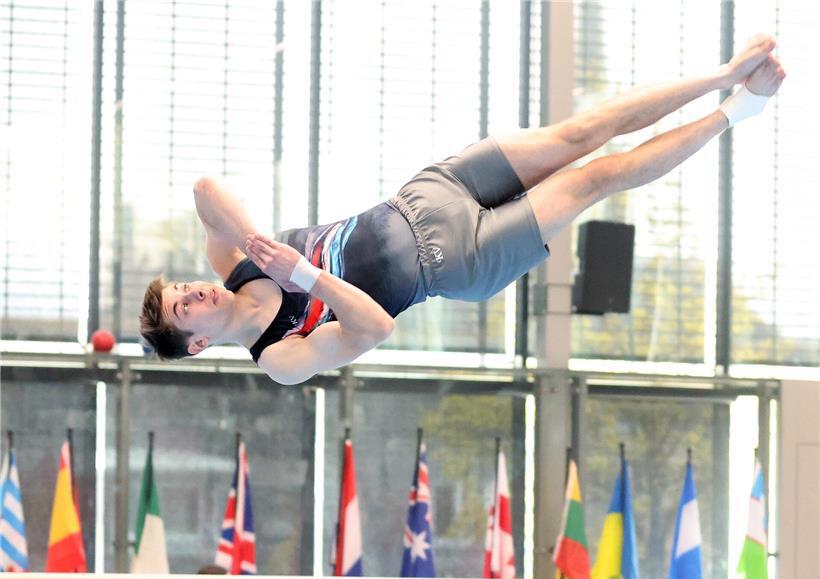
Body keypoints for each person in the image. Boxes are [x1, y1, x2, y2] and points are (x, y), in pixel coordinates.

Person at [140, 34, 786, 385]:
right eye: (184, 306)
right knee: (599, 177)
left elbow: (203, 190)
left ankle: (725, 75)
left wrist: (259, 244)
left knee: (579, 133)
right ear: (197, 343)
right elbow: (372, 329)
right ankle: (739, 112)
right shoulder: (279, 356)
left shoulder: (232, 262)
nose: (194, 290)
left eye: (183, 288)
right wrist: (303, 277)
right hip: (459, 258)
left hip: (428, 193)